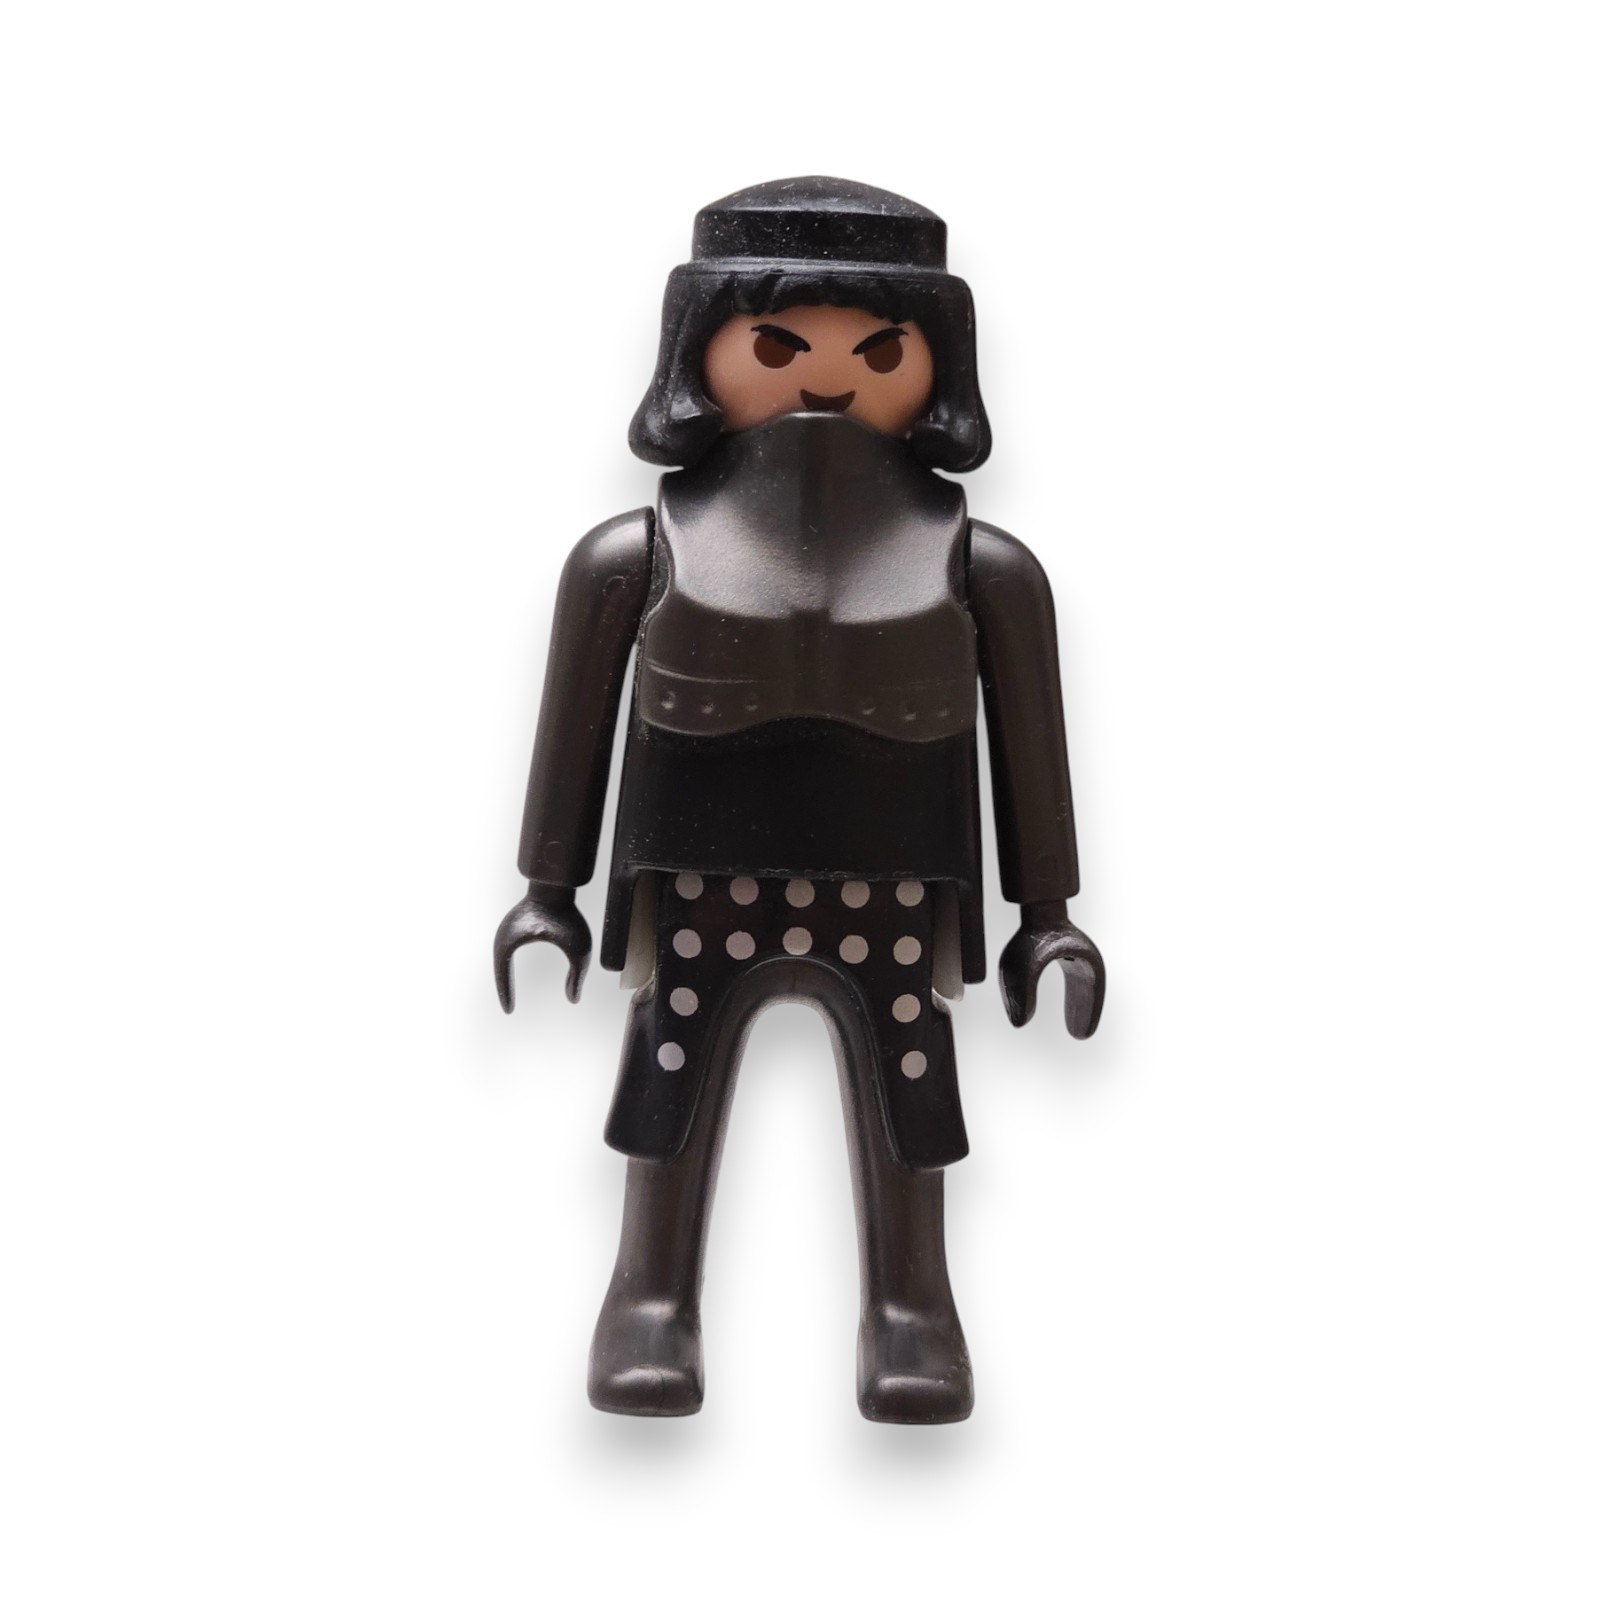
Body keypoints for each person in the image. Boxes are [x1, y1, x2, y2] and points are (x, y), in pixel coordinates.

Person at [495, 176, 1104, 1423]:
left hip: (895, 878)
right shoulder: (636, 555)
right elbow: (573, 731)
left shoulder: (980, 567)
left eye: (877, 353)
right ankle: (649, 1295)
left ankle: (911, 1308)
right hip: (696, 875)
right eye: (778, 348)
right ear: (699, 353)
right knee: (666, 1078)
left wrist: (1048, 915)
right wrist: (545, 890)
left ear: (935, 367)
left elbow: (1031, 747)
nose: (827, 381)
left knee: (909, 1087)